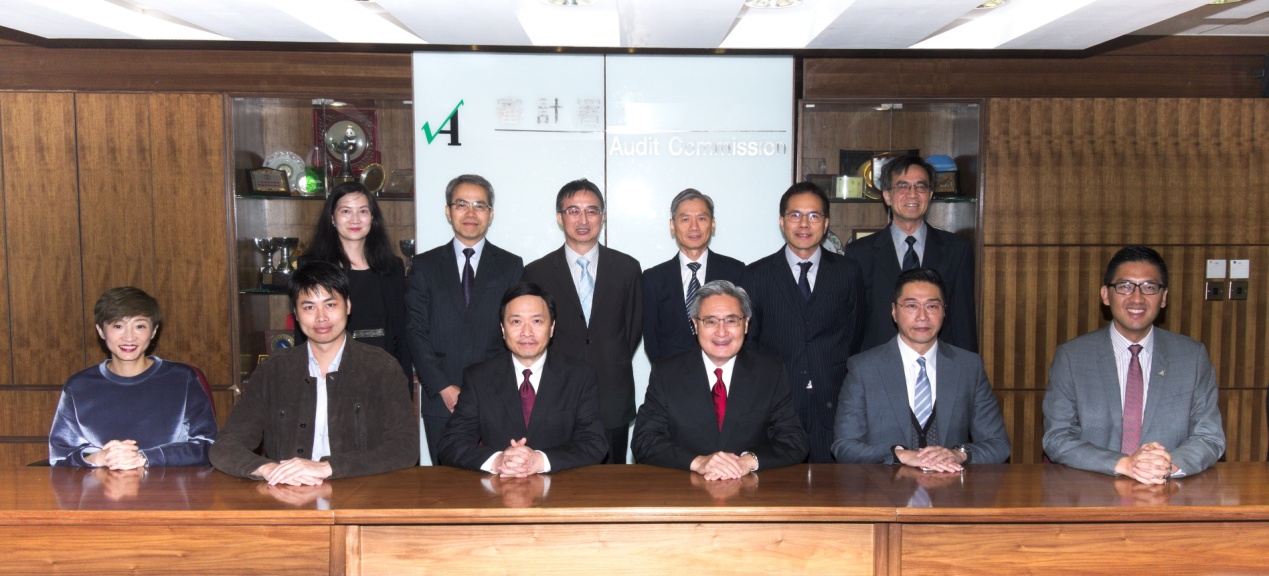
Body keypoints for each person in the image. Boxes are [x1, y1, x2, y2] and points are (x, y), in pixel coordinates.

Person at [210, 262, 418, 484]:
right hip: (289, 496)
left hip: (359, 495)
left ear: (347, 306)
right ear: (296, 314)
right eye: (309, 307)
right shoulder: (273, 370)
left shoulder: (382, 368)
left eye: (330, 305)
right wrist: (268, 469)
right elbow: (225, 446)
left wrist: (328, 468)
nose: (321, 318)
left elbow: (405, 447)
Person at [1043, 246, 1224, 483]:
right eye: (1125, 286)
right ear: (1106, 295)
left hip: (1169, 493)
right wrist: (1126, 464)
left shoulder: (1192, 357)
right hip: (1094, 493)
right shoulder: (1072, 357)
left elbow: (1210, 437)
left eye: (1149, 287)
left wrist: (1165, 465)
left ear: (1164, 298)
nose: (1137, 298)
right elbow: (1057, 437)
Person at [831, 268, 1009, 470]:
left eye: (932, 306)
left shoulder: (969, 366)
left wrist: (958, 454)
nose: (922, 316)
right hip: (885, 491)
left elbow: (998, 445)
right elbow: (844, 447)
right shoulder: (863, 368)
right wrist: (900, 455)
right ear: (894, 311)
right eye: (911, 306)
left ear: (943, 311)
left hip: (950, 493)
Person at [741, 181, 864, 463]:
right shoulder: (755, 275)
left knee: (831, 492)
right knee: (779, 493)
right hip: (778, 404)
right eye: (795, 215)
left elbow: (855, 335)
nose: (804, 224)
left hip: (833, 400)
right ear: (782, 221)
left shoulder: (848, 273)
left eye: (814, 216)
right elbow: (752, 343)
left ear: (826, 222)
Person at [633, 280, 807, 479]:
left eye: (731, 320)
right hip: (685, 490)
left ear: (746, 323)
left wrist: (747, 461)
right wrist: (699, 462)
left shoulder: (769, 373)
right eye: (711, 321)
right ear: (696, 324)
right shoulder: (667, 373)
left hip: (750, 492)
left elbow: (794, 440)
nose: (722, 332)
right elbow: (644, 440)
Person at [523, 178, 642, 464]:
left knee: (612, 483)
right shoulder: (536, 272)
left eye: (592, 210)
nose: (583, 219)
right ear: (559, 217)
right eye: (573, 210)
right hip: (557, 393)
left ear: (603, 216)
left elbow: (633, 327)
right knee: (561, 478)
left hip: (612, 392)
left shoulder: (627, 268)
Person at [406, 174, 524, 460]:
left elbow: (515, 332)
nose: (471, 213)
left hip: (495, 397)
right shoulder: (424, 266)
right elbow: (415, 330)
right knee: (446, 489)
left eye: (479, 205)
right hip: (440, 399)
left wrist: (485, 390)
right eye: (461, 204)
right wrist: (444, 386)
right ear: (448, 211)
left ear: (490, 214)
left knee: (497, 483)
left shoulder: (511, 265)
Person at [438, 282, 606, 475]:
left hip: (560, 490)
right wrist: (498, 460)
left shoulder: (579, 376)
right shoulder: (478, 377)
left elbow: (595, 443)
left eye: (537, 321)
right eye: (516, 322)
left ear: (552, 328)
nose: (527, 332)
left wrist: (540, 460)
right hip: (496, 493)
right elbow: (450, 443)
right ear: (502, 329)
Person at [49, 287, 217, 468]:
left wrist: (144, 458)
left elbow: (208, 446)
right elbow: (60, 457)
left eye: (140, 326)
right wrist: (98, 458)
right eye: (118, 326)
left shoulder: (182, 378)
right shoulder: (79, 386)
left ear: (153, 331)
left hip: (169, 490)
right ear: (101, 331)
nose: (129, 337)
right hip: (101, 490)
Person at [844, 156, 977, 352]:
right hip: (879, 367)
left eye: (920, 187)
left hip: (938, 366)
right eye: (903, 186)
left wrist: (967, 373)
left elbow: (963, 321)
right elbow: (853, 324)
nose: (912, 194)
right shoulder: (860, 253)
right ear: (887, 196)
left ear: (930, 195)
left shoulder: (957, 250)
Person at [302, 181, 410, 388]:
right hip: (333, 376)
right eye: (345, 211)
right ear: (332, 218)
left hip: (384, 374)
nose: (355, 219)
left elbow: (401, 331)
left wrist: (403, 383)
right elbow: (305, 332)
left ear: (372, 218)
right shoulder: (312, 267)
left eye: (363, 211)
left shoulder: (392, 267)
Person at [641, 188, 745, 363]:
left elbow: (744, 330)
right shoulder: (653, 278)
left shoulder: (735, 271)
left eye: (702, 218)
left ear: (713, 224)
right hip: (672, 378)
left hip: (724, 377)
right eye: (685, 219)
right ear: (672, 226)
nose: (694, 227)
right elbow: (652, 341)